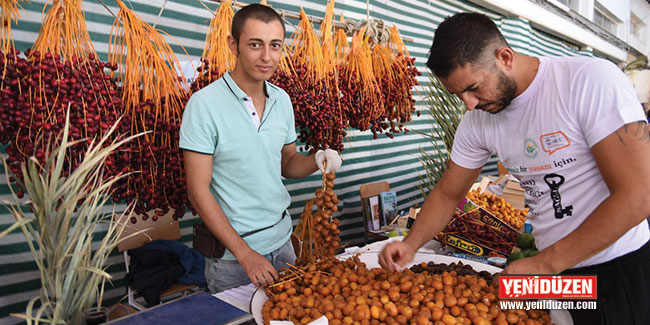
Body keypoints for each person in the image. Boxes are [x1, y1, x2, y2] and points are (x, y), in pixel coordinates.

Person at [379, 12, 650, 324]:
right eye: (458, 95)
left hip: (616, 267)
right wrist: (410, 244)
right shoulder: (477, 120)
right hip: (556, 275)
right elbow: (447, 193)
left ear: (505, 57)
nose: (468, 103)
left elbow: (638, 196)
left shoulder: (590, 80)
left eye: (474, 87)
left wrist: (545, 264)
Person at [179, 4, 342, 293]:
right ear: (234, 45)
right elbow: (198, 191)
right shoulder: (203, 106)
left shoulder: (282, 101)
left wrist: (317, 159)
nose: (267, 56)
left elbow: (287, 162)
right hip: (232, 260)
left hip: (283, 244)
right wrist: (244, 254)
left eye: (275, 46)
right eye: (255, 45)